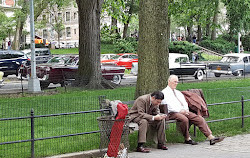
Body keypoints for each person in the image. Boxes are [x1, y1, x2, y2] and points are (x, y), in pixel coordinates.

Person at [161, 75, 224, 145]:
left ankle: (211, 137)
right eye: (174, 82)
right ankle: (187, 138)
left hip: (184, 111)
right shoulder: (164, 93)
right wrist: (180, 111)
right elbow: (167, 106)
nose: (176, 83)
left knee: (199, 118)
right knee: (184, 119)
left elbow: (184, 103)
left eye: (177, 82)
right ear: (169, 81)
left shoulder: (178, 92)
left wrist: (186, 110)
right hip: (172, 113)